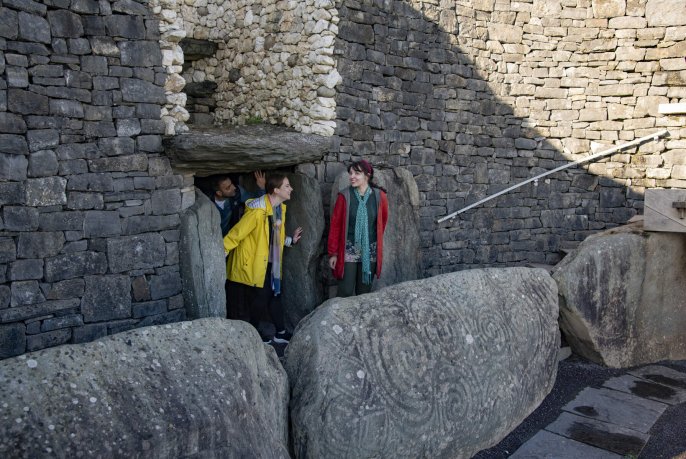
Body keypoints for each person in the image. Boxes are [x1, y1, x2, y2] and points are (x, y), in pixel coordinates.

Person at [223, 173, 303, 344]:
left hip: (270, 261)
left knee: (275, 294)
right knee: (263, 297)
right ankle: (253, 334)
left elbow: (275, 235)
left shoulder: (279, 208)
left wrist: (290, 240)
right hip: (254, 261)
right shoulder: (258, 211)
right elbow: (238, 232)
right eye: (287, 186)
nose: (291, 189)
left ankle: (280, 332)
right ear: (276, 190)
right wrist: (221, 250)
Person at [328, 160, 389, 297]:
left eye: (357, 173)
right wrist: (333, 253)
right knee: (345, 291)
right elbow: (335, 226)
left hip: (369, 250)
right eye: (350, 173)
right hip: (348, 249)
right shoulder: (344, 196)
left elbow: (381, 223)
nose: (352, 176)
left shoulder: (380, 197)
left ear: (367, 175)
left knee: (364, 293)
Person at [211, 171, 266, 237]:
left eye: (232, 184)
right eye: (228, 188)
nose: (233, 187)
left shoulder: (237, 192)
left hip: (231, 238)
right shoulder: (208, 202)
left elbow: (256, 201)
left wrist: (262, 187)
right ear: (219, 193)